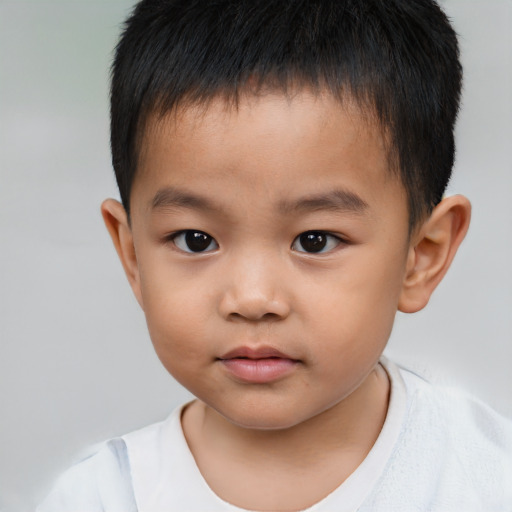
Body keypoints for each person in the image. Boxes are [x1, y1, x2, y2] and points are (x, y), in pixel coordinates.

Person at [38, 0, 512, 510]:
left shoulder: (484, 478)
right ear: (132, 256)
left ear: (421, 255)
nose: (252, 298)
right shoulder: (100, 498)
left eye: (315, 240)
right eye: (196, 240)